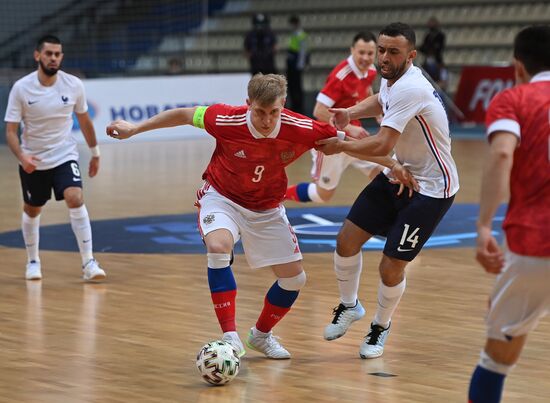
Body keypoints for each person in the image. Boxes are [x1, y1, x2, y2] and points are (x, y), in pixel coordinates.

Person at [106, 74, 413, 359]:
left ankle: (260, 336)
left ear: (283, 106)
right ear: (248, 103)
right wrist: (135, 129)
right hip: (222, 196)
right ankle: (230, 337)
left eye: (274, 113)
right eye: (260, 112)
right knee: (218, 247)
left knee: (294, 279)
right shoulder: (225, 118)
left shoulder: (301, 127)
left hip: (266, 207)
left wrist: (392, 166)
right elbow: (184, 114)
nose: (267, 120)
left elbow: (352, 142)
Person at [315, 22, 459, 359]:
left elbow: (381, 142)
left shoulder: (412, 87)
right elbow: (381, 101)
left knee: (390, 266)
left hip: (432, 189)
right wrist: (348, 112)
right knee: (346, 241)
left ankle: (380, 327)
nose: (383, 57)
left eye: (392, 52)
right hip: (402, 174)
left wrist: (341, 145)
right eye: (381, 50)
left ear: (411, 55)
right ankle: (349, 306)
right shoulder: (392, 77)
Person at [468, 25, 550, 403]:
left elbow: (502, 154)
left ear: (517, 66)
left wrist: (484, 224)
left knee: (497, 357)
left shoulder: (513, 99)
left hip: (535, 244)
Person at [4, 35, 106, 282]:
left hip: (64, 155)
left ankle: (89, 262)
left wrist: (95, 153)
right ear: (37, 55)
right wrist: (22, 156)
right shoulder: (21, 88)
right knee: (33, 208)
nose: (53, 58)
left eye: (58, 54)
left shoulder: (73, 85)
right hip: (33, 159)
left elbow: (84, 121)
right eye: (49, 53)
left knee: (75, 197)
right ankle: (32, 261)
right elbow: (10, 131)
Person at [285, 32, 381, 203]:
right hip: (331, 140)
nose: (366, 58)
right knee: (323, 195)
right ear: (352, 50)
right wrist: (349, 127)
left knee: (381, 174)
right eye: (361, 52)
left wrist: (378, 114)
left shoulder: (371, 70)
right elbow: (319, 111)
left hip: (354, 138)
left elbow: (366, 90)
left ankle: (385, 217)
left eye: (370, 53)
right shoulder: (340, 77)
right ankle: (278, 194)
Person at [286, 15, 308, 114]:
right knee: (291, 86)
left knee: (297, 87)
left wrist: (300, 65)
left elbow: (303, 52)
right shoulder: (294, 34)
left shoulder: (301, 35)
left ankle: (298, 108)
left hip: (296, 66)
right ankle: (294, 106)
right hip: (291, 65)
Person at [419, 16, 446, 83]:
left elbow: (440, 47)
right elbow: (423, 47)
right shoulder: (428, 35)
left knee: (438, 77)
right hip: (427, 59)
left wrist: (432, 49)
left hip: (436, 60)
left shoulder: (440, 35)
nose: (431, 25)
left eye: (432, 23)